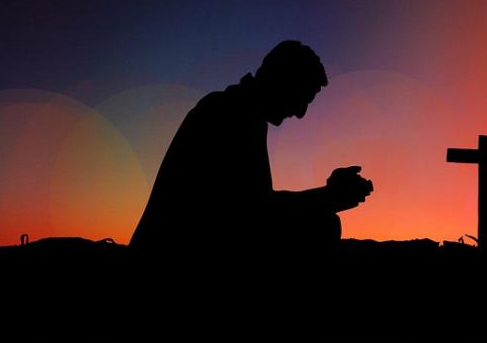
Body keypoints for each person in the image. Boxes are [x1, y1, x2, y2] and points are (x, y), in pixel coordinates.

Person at [129, 40, 373, 252]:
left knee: (321, 222)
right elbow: (249, 213)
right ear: (280, 79)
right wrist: (328, 196)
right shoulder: (231, 112)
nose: (300, 113)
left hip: (190, 239)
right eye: (301, 98)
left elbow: (252, 205)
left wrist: (327, 194)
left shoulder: (240, 109)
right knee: (322, 226)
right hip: (175, 247)